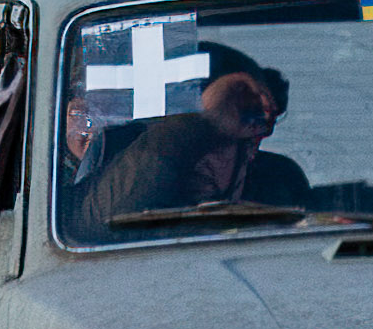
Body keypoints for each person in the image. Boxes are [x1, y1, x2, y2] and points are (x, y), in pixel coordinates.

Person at [84, 46, 308, 227]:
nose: (187, 161)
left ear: (250, 148)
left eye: (208, 143)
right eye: (172, 145)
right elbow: (96, 225)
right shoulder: (108, 186)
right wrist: (203, 118)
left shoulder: (281, 190)